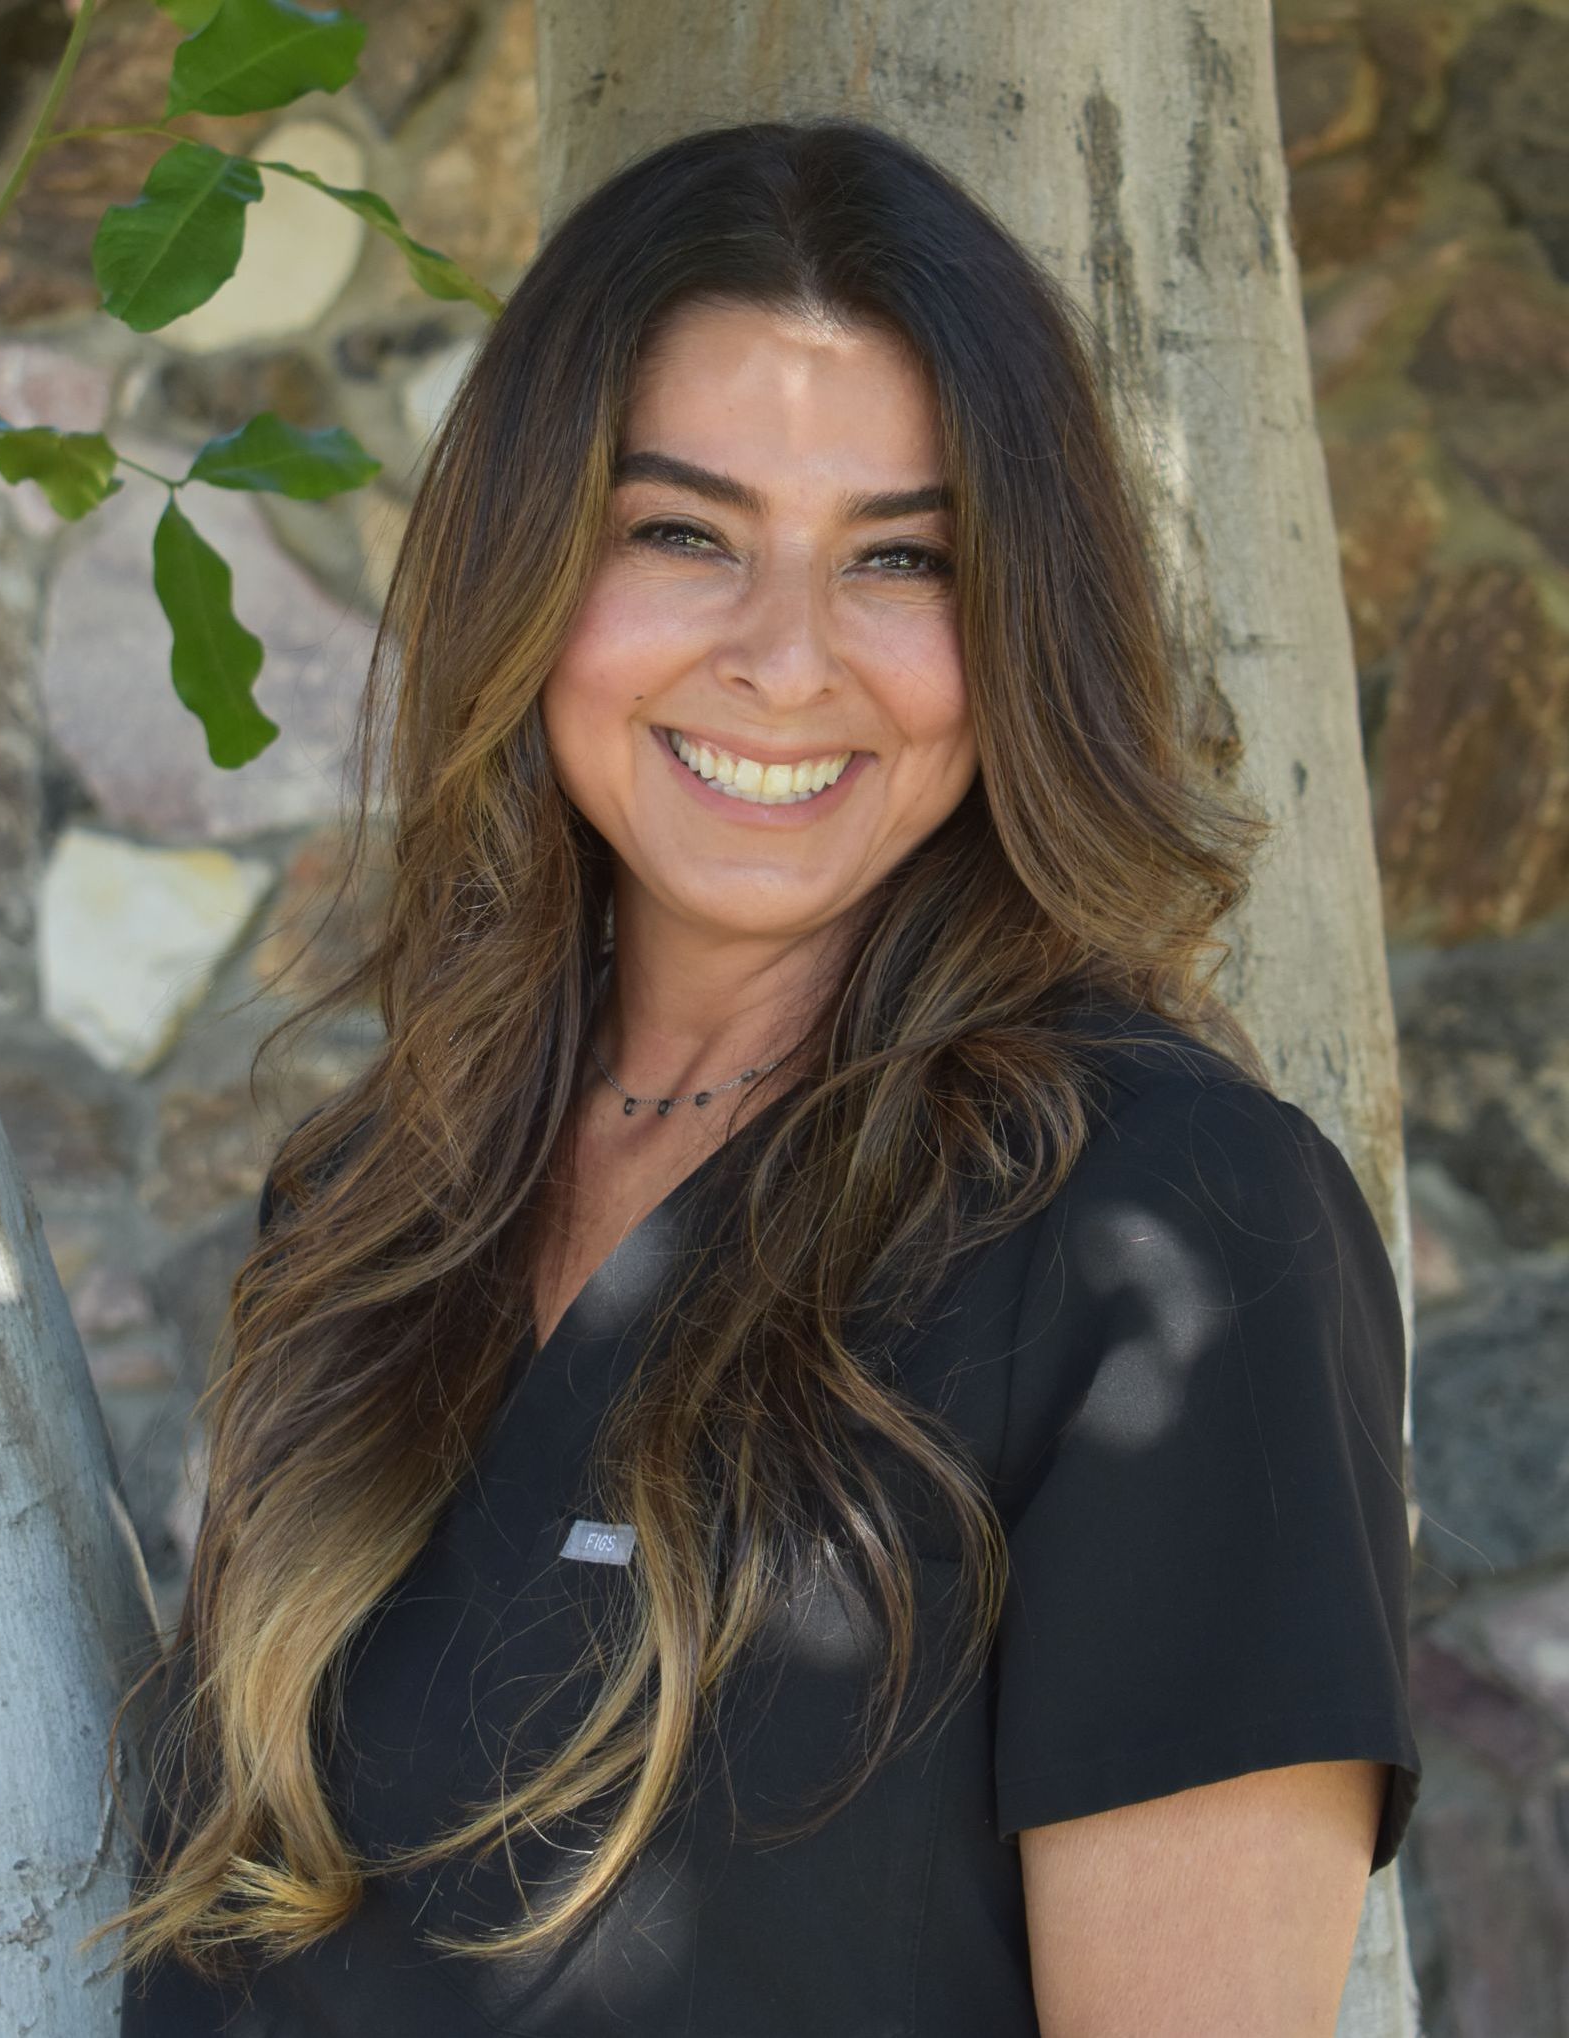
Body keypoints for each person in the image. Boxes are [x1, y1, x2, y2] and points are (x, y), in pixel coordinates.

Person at [92, 116, 1422, 2036]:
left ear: (1020, 628)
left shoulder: (1170, 1235)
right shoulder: (374, 1203)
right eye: (683, 533)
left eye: (901, 556)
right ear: (534, 573)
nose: (787, 663)